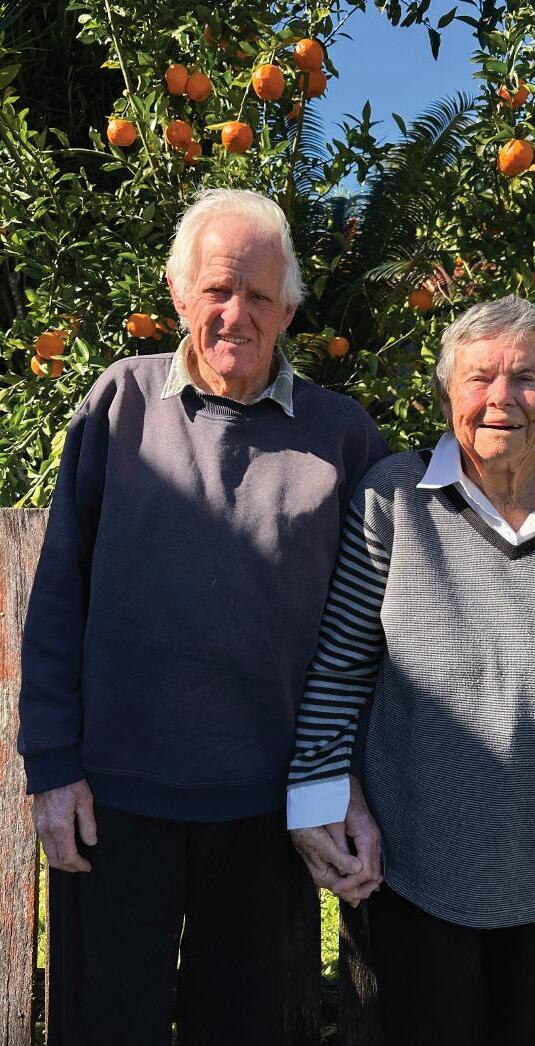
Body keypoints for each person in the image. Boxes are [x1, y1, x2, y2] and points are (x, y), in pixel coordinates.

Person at [17, 188, 386, 1046]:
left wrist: (343, 781)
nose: (235, 314)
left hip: (269, 808)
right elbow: (60, 593)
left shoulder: (342, 436)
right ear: (179, 294)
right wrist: (53, 767)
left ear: (288, 310)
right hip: (112, 798)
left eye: (259, 295)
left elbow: (371, 634)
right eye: (217, 289)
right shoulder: (119, 403)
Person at [287, 294, 535, 1045]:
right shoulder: (393, 501)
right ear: (447, 395)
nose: (501, 398)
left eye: (526, 378)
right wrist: (321, 795)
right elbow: (339, 670)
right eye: (479, 378)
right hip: (409, 871)